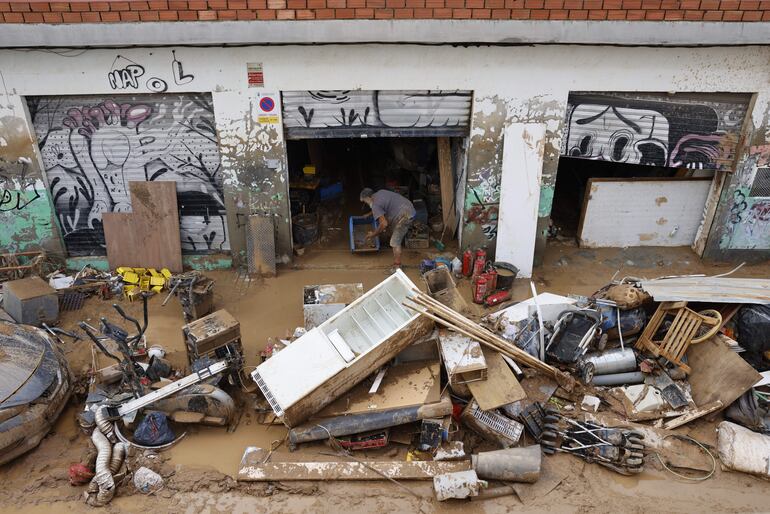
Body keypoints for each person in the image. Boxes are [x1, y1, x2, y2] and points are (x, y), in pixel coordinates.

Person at [360, 187, 416, 273]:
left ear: (368, 198)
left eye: (365, 201)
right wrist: (369, 214)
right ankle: (392, 247)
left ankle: (397, 267)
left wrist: (373, 234)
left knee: (394, 242)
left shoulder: (375, 205)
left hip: (405, 216)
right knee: (390, 229)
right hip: (408, 207)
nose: (366, 203)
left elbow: (384, 224)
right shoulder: (381, 192)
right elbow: (382, 207)